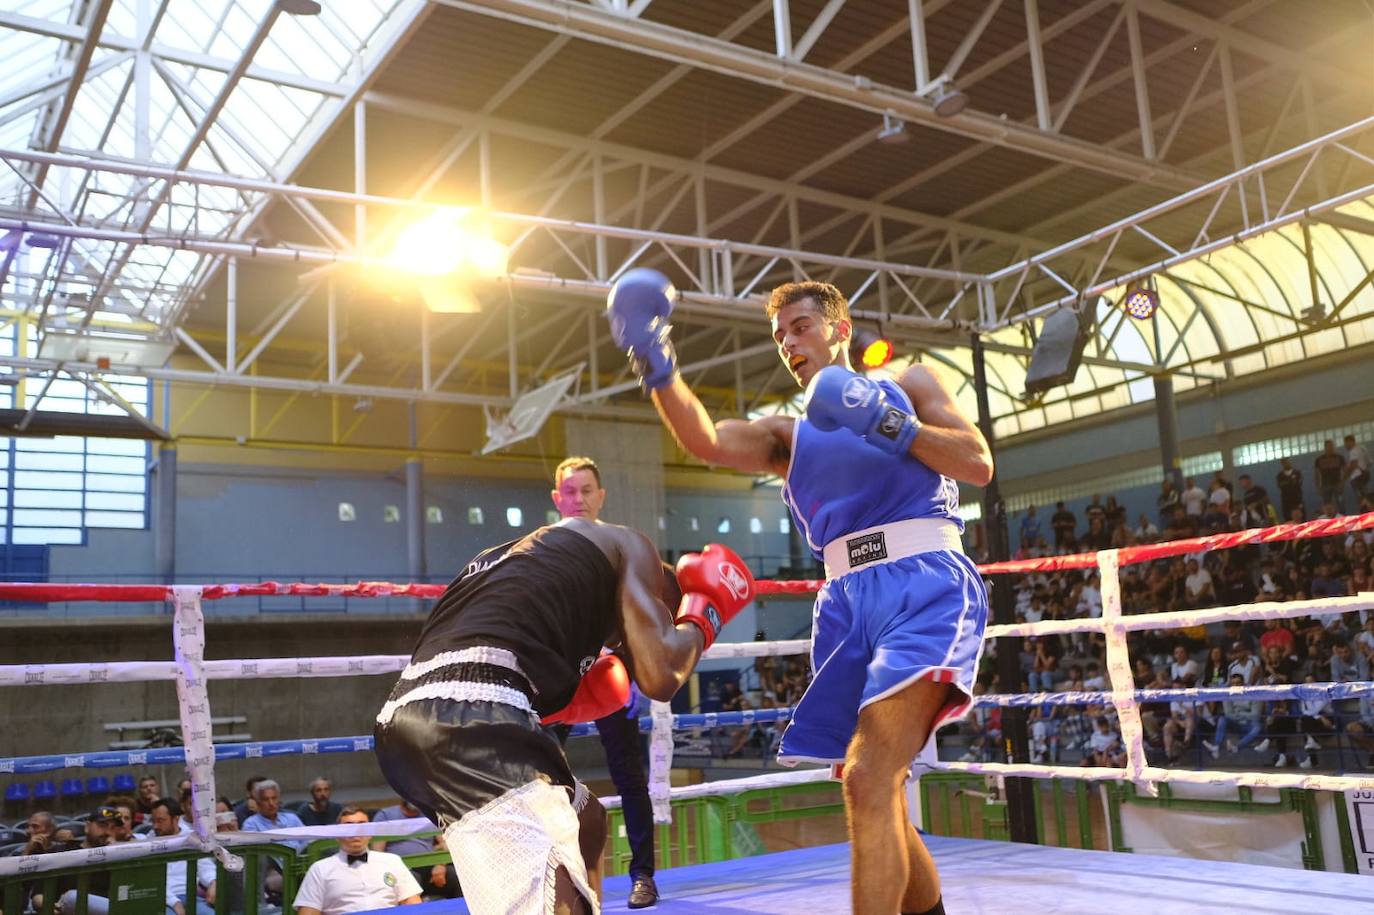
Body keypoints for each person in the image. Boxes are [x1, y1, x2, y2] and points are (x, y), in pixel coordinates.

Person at [606, 272, 990, 915]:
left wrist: (891, 424)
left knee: (869, 779)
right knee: (878, 788)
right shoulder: (786, 433)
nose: (789, 343)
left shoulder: (911, 383)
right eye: (780, 335)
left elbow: (976, 462)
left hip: (923, 581)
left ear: (839, 329)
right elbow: (705, 440)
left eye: (801, 326)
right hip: (843, 603)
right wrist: (656, 365)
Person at [373, 516, 755, 915]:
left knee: (587, 818)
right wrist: (704, 614)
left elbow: (482, 650)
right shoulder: (631, 545)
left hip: (402, 724)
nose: (624, 646)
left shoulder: (516, 562)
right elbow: (661, 675)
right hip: (468, 721)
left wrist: (565, 696)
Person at [551, 455, 660, 909]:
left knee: (629, 778)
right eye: (570, 491)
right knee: (542, 779)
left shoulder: (620, 546)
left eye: (586, 490)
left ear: (601, 495)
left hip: (611, 675)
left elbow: (639, 617)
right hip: (559, 677)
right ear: (558, 499)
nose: (579, 498)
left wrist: (633, 674)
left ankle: (643, 877)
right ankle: (553, 878)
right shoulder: (541, 550)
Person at [294, 806, 422, 915]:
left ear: (370, 832)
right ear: (337, 835)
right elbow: (308, 911)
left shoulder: (392, 861)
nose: (356, 831)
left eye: (362, 825)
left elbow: (412, 902)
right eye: (349, 826)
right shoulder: (320, 869)